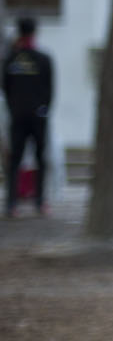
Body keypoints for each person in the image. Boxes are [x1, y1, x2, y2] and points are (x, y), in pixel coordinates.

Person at [4, 16, 53, 218]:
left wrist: (14, 108)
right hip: (38, 116)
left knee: (14, 160)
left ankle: (11, 204)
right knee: (41, 158)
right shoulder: (43, 59)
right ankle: (40, 202)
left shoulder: (10, 60)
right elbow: (50, 89)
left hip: (17, 116)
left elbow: (5, 88)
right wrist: (43, 109)